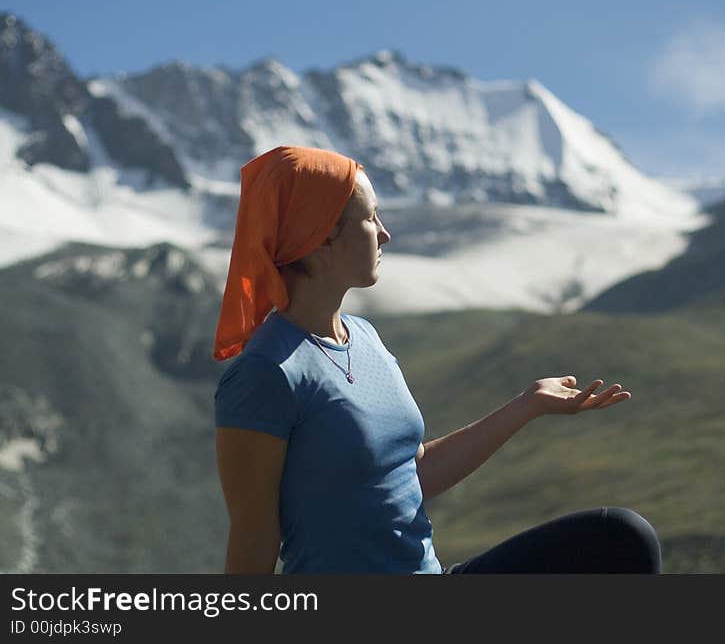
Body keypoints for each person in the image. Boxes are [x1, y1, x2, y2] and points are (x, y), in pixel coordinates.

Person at [213, 145, 662, 574]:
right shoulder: (266, 372)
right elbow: (254, 537)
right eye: (369, 218)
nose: (385, 232)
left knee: (620, 539)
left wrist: (528, 405)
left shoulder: (365, 338)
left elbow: (411, 474)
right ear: (320, 237)